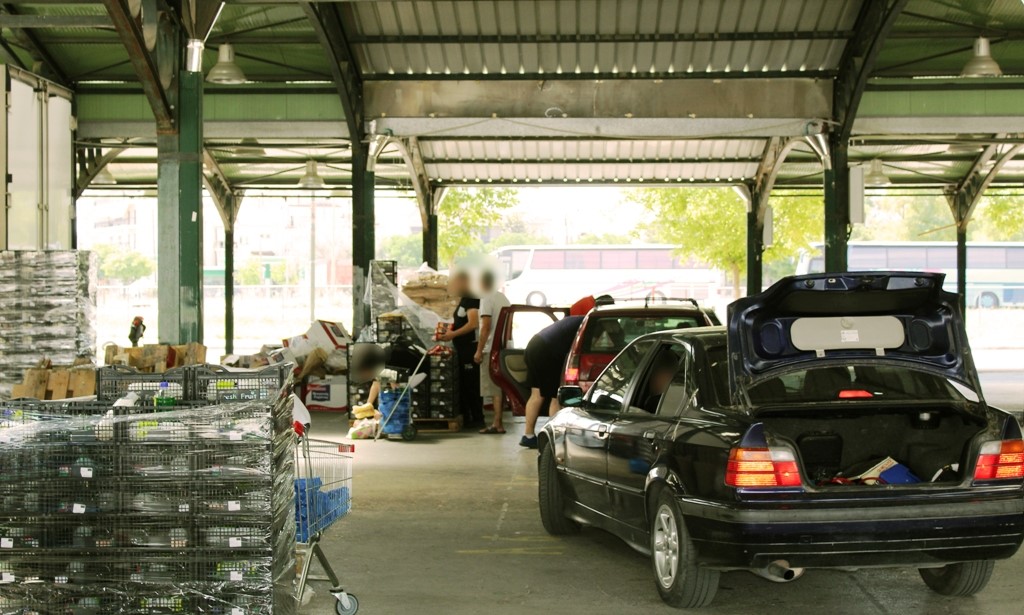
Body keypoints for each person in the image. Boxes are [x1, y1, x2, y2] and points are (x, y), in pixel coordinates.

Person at [519, 313, 586, 449]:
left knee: (537, 394)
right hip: (547, 351)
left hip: (534, 346)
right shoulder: (588, 322)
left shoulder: (576, 319)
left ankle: (528, 436)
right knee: (556, 396)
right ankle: (554, 438)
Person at [440, 270, 483, 429]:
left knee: (471, 384)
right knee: (464, 383)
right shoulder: (465, 299)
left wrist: (453, 334)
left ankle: (477, 418)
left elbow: (473, 324)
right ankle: (468, 416)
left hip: (469, 348)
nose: (453, 286)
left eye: (456, 282)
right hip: (462, 348)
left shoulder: (472, 299)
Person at [475, 269, 511, 434]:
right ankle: (498, 422)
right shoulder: (503, 298)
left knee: (493, 386)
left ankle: (497, 423)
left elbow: (485, 327)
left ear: (482, 283)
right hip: (504, 348)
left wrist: (479, 350)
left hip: (491, 349)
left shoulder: (486, 299)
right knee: (500, 385)